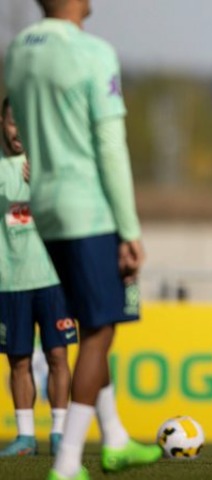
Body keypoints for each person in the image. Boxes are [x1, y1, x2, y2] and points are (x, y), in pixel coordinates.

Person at [4, 1, 162, 478]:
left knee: (92, 320)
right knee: (99, 331)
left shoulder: (18, 49)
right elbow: (110, 146)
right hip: (86, 206)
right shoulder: (94, 52)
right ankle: (69, 460)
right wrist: (129, 229)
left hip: (45, 205)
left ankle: (114, 437)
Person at [0, 97, 75, 458]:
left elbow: (74, 212)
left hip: (52, 278)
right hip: (9, 281)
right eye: (13, 122)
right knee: (18, 360)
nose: (18, 131)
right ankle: (26, 437)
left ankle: (59, 433)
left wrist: (48, 184)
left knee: (58, 354)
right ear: (3, 123)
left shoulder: (54, 165)